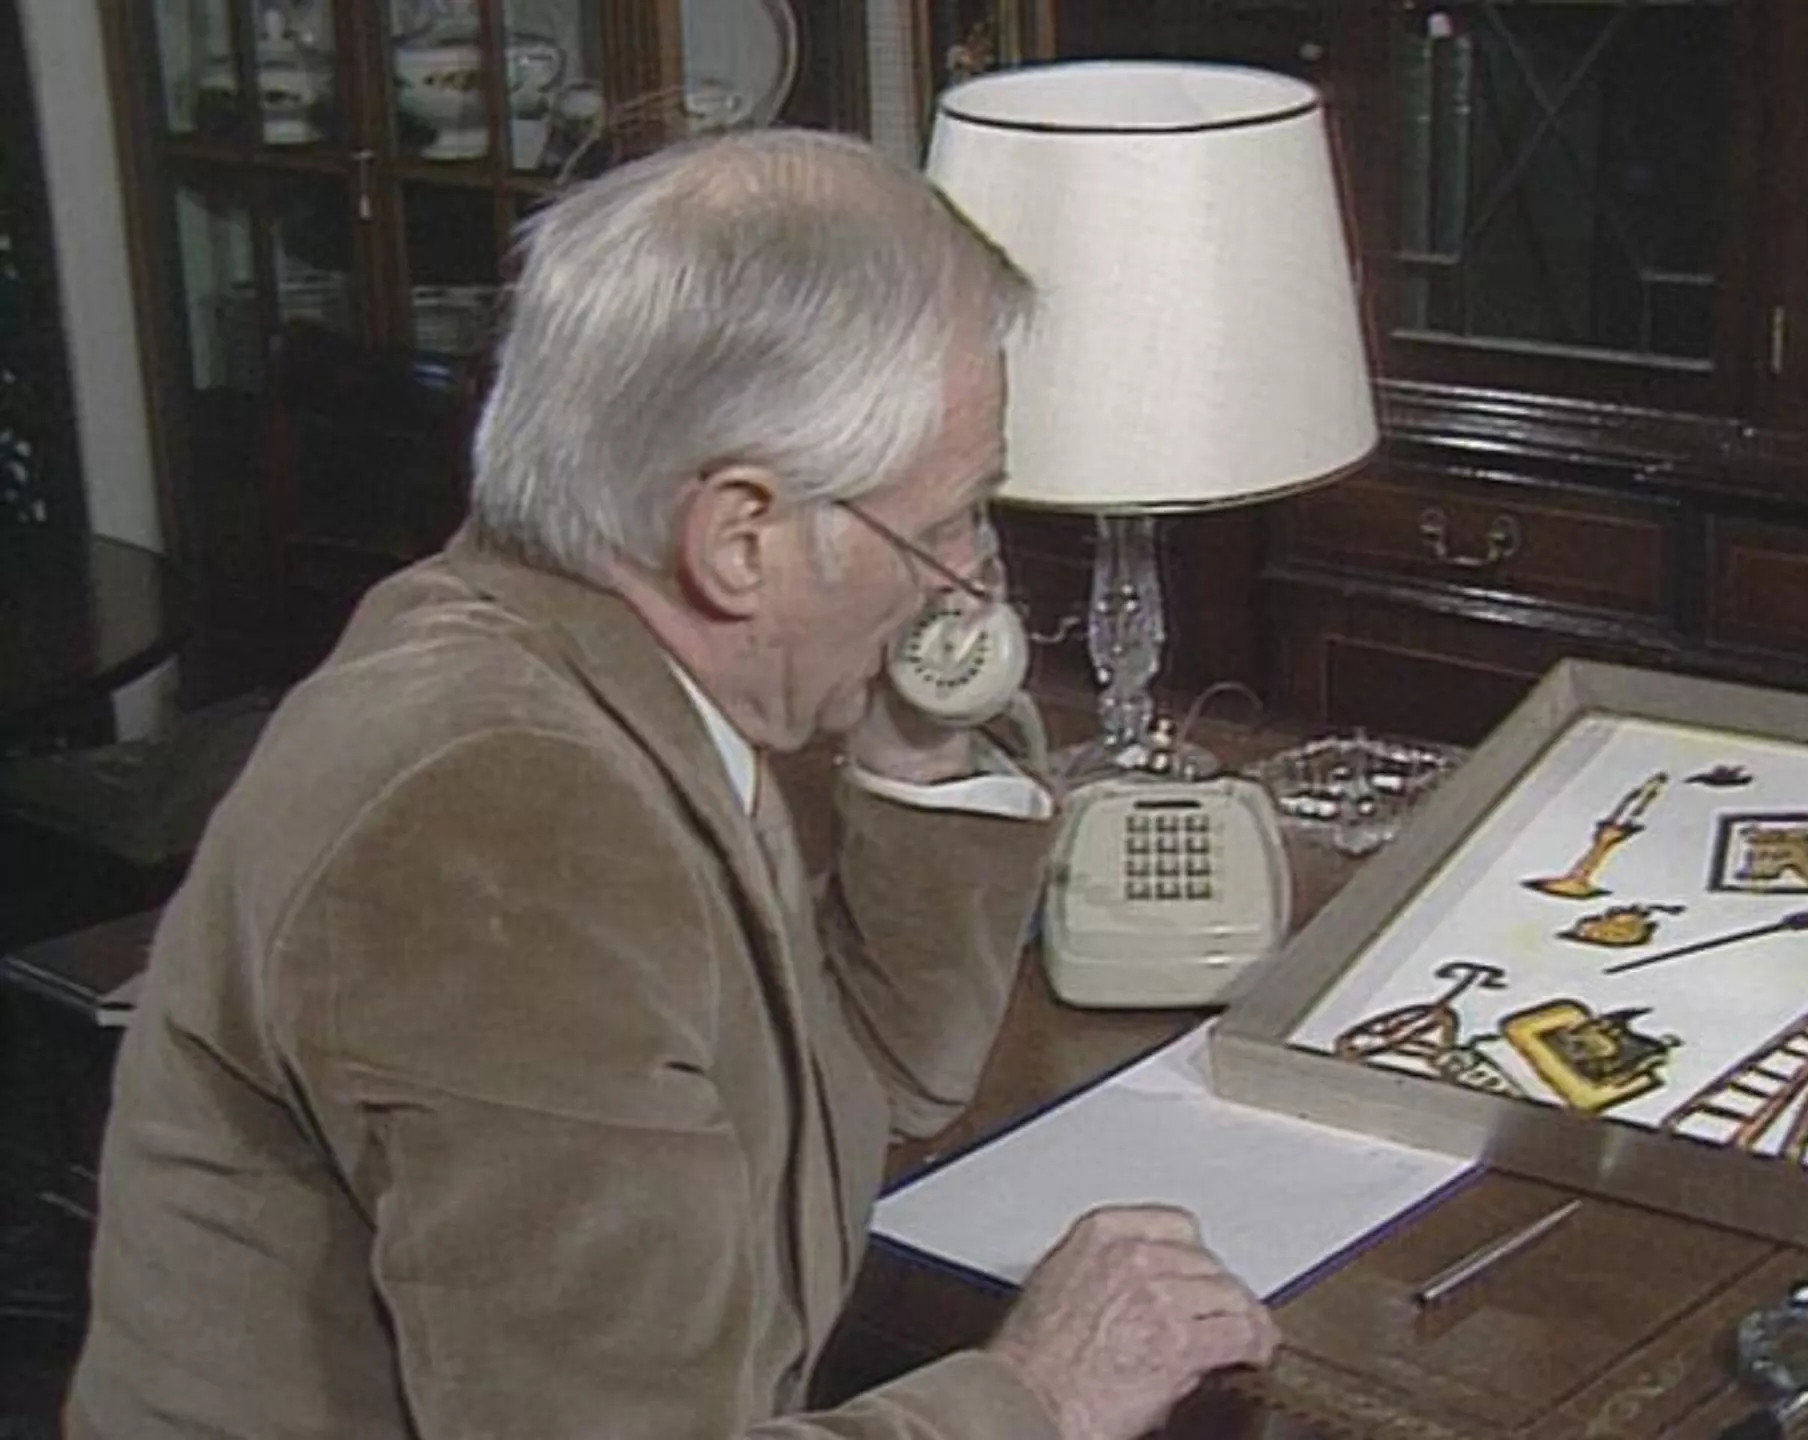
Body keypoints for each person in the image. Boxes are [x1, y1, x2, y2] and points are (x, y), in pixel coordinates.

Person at [66, 129, 1275, 1439]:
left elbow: (876, 1085)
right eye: (941, 525)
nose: (969, 583)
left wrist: (918, 747)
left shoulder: (608, 669)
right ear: (740, 540)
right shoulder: (505, 815)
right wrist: (1036, 1393)